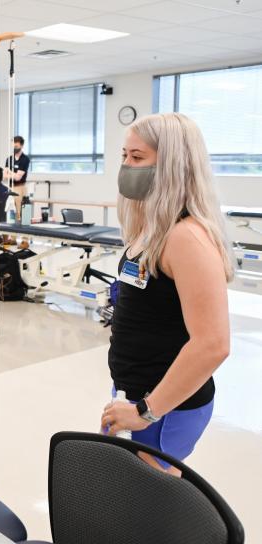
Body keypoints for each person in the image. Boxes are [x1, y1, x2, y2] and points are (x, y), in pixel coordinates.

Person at [100, 113, 234, 475]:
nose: (127, 166)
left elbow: (213, 344)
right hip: (137, 391)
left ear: (172, 165)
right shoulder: (152, 228)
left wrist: (146, 411)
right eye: (124, 156)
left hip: (164, 406)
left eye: (138, 157)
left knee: (151, 513)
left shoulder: (186, 237)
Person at [3, 136, 30, 218]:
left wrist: (10, 172)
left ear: (21, 146)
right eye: (13, 146)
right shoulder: (9, 159)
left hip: (19, 187)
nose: (14, 148)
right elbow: (4, 175)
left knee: (18, 212)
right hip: (9, 187)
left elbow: (18, 178)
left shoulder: (25, 159)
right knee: (8, 211)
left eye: (16, 146)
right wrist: (14, 174)